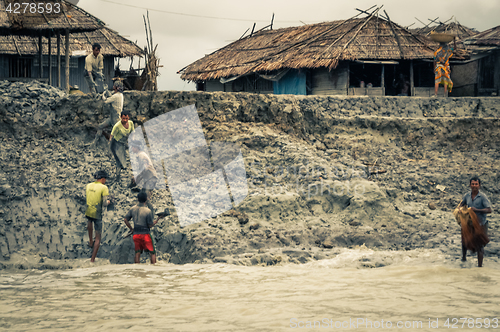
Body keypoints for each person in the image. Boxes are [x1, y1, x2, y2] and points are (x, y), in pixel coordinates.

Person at [459, 176, 492, 267]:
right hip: (470, 223)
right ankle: (463, 259)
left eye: (476, 184)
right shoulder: (467, 195)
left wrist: (476, 210)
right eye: (473, 184)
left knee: (480, 246)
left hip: (481, 224)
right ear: (470, 185)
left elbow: (489, 210)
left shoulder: (483, 197)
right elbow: (462, 203)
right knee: (464, 241)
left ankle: (479, 267)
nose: (474, 186)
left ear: (479, 185)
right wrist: (459, 208)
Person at [123, 192, 163, 264]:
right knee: (152, 252)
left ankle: (137, 270)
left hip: (136, 235)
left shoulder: (132, 209)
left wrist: (131, 229)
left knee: (137, 253)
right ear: (146, 200)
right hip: (145, 234)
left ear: (138, 199)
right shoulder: (148, 211)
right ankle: (153, 268)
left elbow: (125, 220)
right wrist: (156, 220)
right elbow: (150, 225)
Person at [85, 170, 110, 262]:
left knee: (89, 221)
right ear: (102, 179)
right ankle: (92, 259)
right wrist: (109, 202)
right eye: (105, 179)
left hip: (88, 210)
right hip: (97, 213)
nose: (105, 181)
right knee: (98, 237)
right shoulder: (104, 188)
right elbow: (104, 204)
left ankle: (90, 241)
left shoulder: (88, 186)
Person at [91, 80, 124, 146]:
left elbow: (105, 101)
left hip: (116, 118)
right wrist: (107, 91)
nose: (113, 86)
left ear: (116, 87)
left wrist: (103, 95)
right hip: (113, 117)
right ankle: (94, 143)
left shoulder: (116, 96)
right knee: (100, 126)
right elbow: (112, 94)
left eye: (114, 85)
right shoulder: (120, 95)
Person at [109, 110, 134, 180]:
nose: (125, 120)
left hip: (124, 143)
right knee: (119, 160)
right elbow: (111, 135)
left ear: (129, 118)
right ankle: (117, 177)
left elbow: (133, 132)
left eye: (126, 118)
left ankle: (119, 173)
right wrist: (110, 147)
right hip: (116, 143)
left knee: (123, 160)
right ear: (120, 117)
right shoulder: (117, 126)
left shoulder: (131, 123)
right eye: (123, 118)